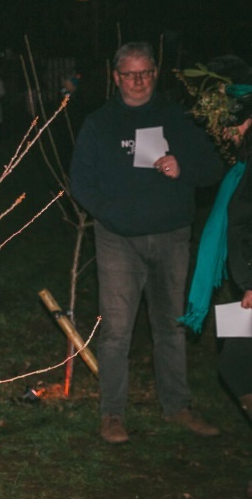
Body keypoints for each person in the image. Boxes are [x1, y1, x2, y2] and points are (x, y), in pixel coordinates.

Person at [70, 41, 224, 444]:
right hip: (119, 241)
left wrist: (183, 167)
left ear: (155, 74)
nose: (138, 81)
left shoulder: (176, 118)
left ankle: (177, 406)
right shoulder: (99, 123)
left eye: (145, 73)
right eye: (129, 74)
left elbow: (212, 167)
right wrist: (113, 216)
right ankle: (113, 415)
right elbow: (81, 182)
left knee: (171, 327)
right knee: (117, 331)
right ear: (116, 77)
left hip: (172, 238)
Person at [178, 57, 252, 494]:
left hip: (249, 286)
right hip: (236, 283)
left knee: (237, 366)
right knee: (234, 363)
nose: (224, 131)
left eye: (232, 122)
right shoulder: (242, 163)